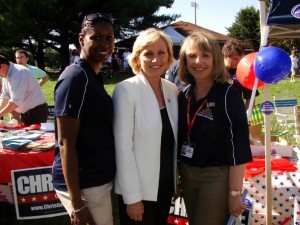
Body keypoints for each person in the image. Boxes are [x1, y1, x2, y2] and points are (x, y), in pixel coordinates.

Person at [177, 32, 253, 225]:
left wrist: (235, 193)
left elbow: (239, 147)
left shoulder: (228, 94)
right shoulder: (184, 95)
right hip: (187, 174)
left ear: (215, 59)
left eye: (205, 55)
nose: (198, 61)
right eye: (192, 56)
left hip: (214, 177)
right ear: (184, 61)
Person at [52, 13, 116, 225]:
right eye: (96, 37)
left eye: (109, 38)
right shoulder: (76, 77)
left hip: (97, 178)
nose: (104, 43)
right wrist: (77, 204)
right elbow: (65, 144)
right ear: (81, 39)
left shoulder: (93, 75)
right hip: (86, 184)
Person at [113, 28, 179, 225]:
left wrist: (175, 181)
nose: (155, 59)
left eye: (161, 52)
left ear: (169, 56)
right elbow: (123, 148)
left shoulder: (171, 89)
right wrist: (132, 197)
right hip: (139, 191)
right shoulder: (126, 90)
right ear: (137, 57)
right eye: (148, 53)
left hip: (165, 184)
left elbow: (171, 141)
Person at [0, 55, 48, 126]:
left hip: (36, 112)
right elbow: (5, 96)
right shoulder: (5, 74)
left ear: (3, 66)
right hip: (26, 112)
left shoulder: (18, 73)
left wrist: (0, 114)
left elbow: (15, 102)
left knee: (37, 136)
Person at [222, 40, 258, 111]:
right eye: (235, 58)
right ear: (225, 57)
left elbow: (250, 97)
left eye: (241, 58)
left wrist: (246, 116)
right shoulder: (214, 71)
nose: (239, 61)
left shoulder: (245, 72)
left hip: (236, 112)